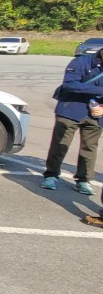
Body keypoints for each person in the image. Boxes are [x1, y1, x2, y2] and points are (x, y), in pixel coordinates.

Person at [41, 48, 103, 194]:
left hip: (96, 113)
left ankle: (83, 180)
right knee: (60, 145)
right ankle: (51, 175)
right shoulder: (81, 61)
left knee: (89, 148)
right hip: (70, 109)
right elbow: (70, 84)